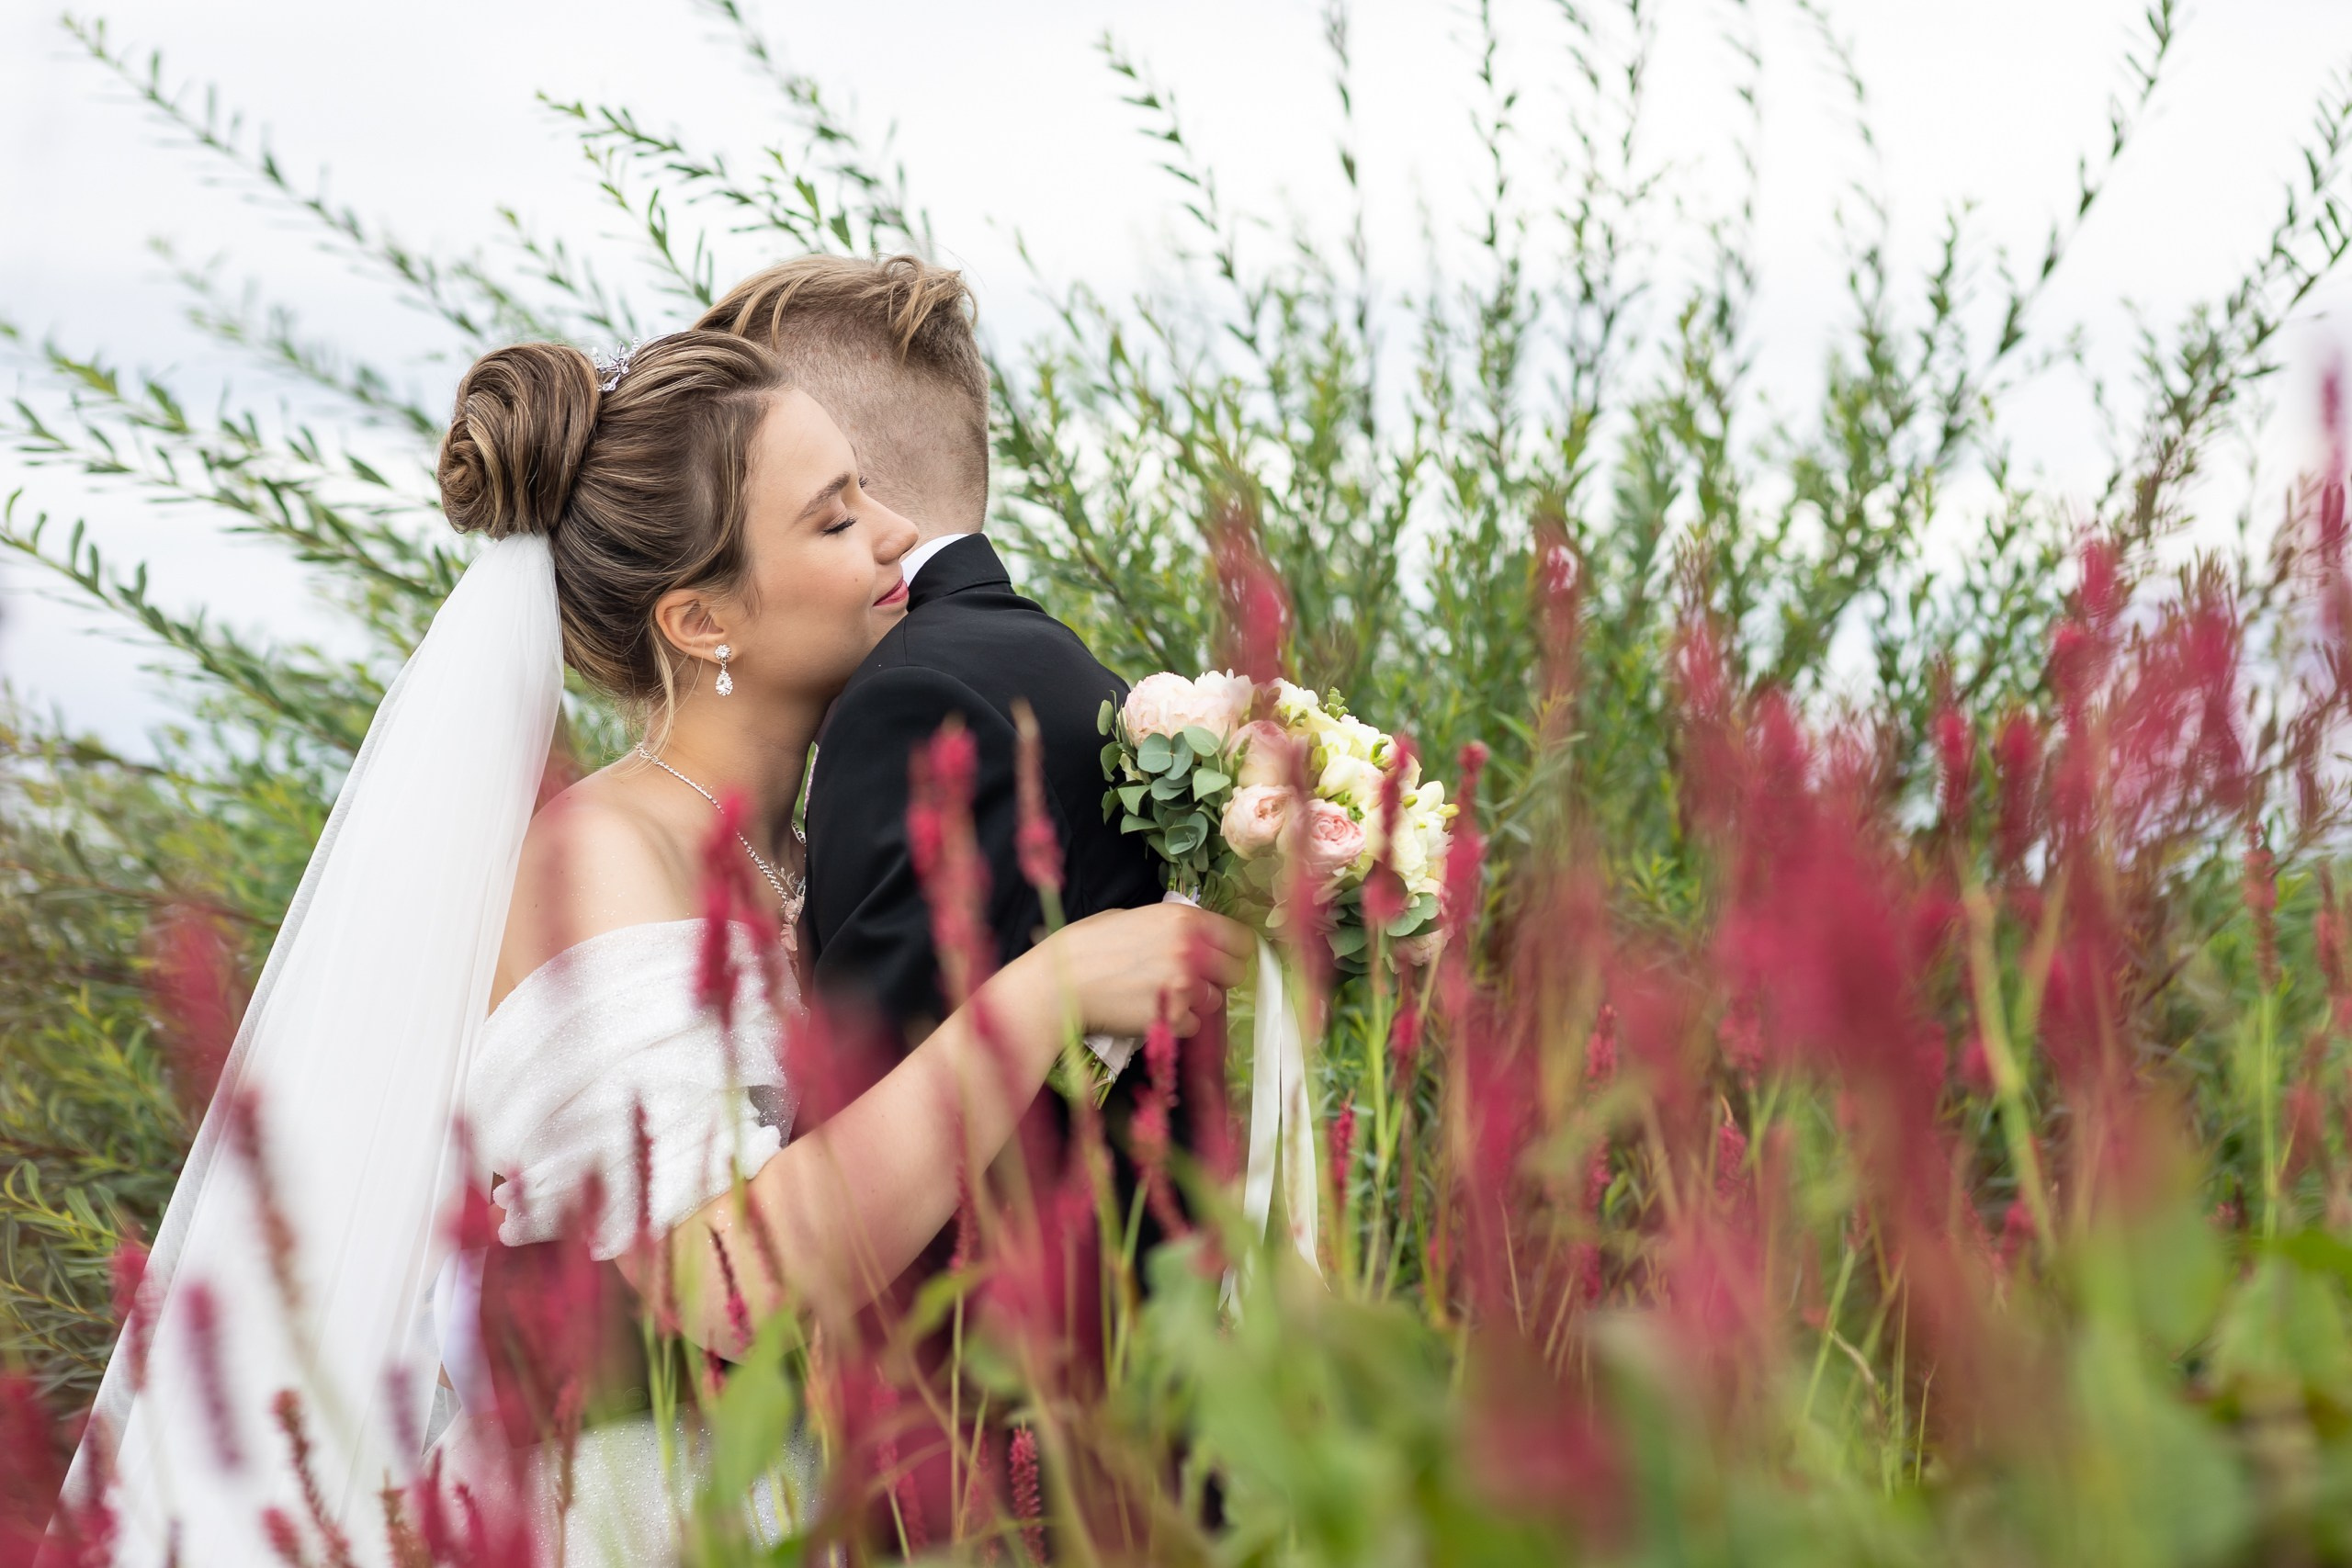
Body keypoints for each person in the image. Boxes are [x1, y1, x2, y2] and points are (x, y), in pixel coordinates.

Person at [61, 329, 1250, 1564]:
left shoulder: (791, 857)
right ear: (702, 619)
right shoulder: (607, 865)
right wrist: (1038, 1000)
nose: (899, 535)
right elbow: (724, 1282)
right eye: (836, 521)